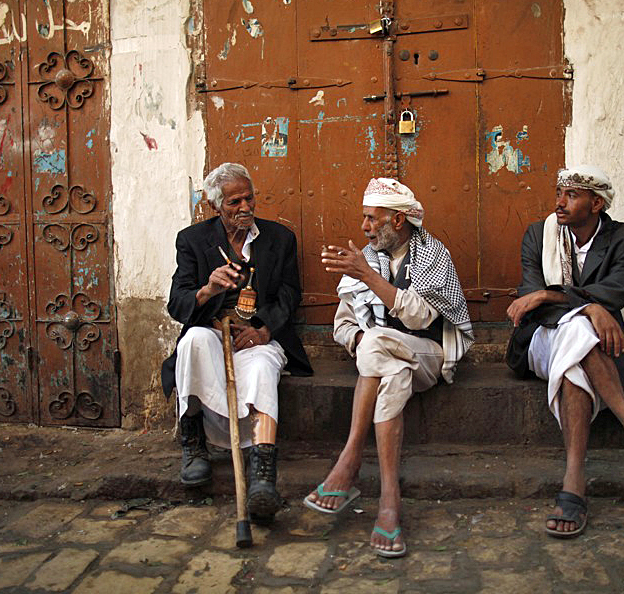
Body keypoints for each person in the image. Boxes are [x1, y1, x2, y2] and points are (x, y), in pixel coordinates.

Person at [506, 165, 624, 539]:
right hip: (541, 338)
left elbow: (617, 291)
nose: (559, 202)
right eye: (559, 192)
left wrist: (557, 296)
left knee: (575, 352)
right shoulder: (539, 236)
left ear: (596, 203)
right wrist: (588, 307)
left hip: (588, 347)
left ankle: (574, 480)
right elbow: (531, 304)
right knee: (577, 327)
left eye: (571, 195)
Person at [304, 178, 473, 558]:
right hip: (391, 367)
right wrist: (362, 343)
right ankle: (389, 502)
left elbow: (419, 318)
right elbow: (343, 327)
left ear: (397, 221)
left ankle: (349, 460)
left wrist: (369, 278)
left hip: (429, 356)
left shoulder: (433, 256)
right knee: (390, 370)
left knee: (379, 341)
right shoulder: (366, 258)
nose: (364, 227)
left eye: (370, 219)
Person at [161, 162, 312, 525]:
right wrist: (209, 289)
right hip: (213, 333)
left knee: (262, 366)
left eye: (249, 198)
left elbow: (290, 295)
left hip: (257, 336)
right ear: (215, 205)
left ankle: (262, 470)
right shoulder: (192, 240)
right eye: (234, 202)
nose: (245, 208)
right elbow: (178, 304)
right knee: (193, 341)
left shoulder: (279, 239)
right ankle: (194, 446)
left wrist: (263, 330)